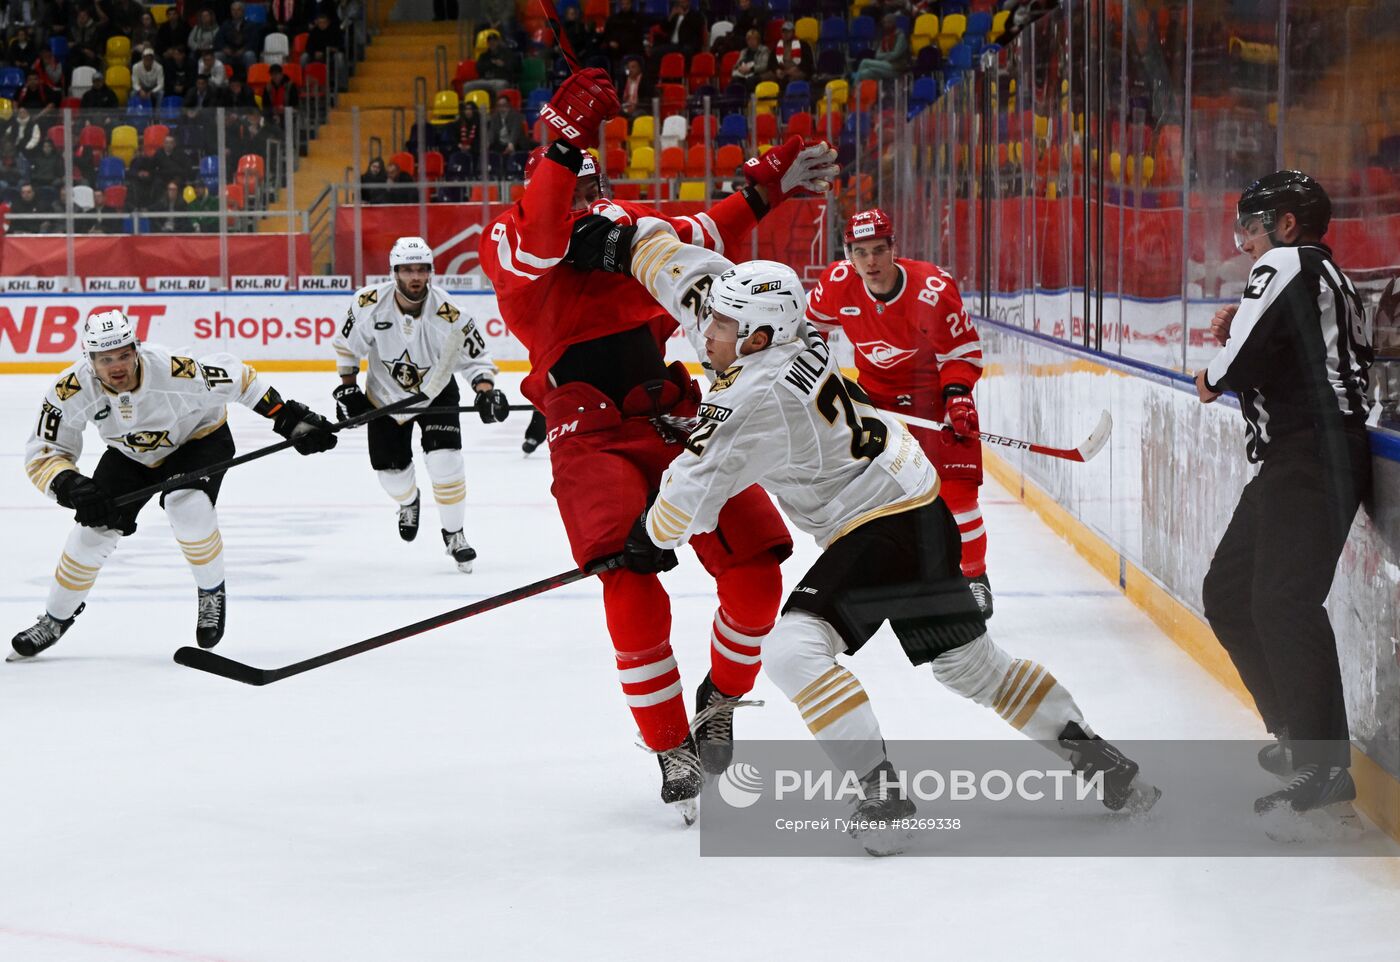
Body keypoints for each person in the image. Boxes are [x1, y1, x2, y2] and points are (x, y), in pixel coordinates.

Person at [566, 227, 1160, 853]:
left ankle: (881, 795)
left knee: (793, 649)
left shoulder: (751, 396)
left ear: (758, 337)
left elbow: (687, 491)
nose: (705, 333)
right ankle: (1104, 764)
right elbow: (695, 276)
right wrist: (631, 247)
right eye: (712, 318)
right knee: (972, 668)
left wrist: (646, 540)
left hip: (881, 525)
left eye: (720, 324)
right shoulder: (792, 334)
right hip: (919, 505)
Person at [478, 68, 837, 819]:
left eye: (588, 180)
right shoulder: (509, 235)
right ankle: (670, 741)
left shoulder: (622, 214)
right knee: (629, 573)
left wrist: (762, 192)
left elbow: (701, 239)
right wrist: (566, 138)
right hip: (590, 433)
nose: (583, 192)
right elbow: (544, 240)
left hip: (676, 414)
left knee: (759, 565)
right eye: (569, 176)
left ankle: (722, 701)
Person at [1195, 170, 1373, 833]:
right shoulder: (1327, 276)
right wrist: (1241, 328)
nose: (1243, 240)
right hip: (1303, 457)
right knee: (1230, 592)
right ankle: (1300, 741)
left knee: (1280, 599)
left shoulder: (1286, 262)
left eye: (1252, 224)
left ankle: (1325, 771)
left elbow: (1225, 377)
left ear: (1286, 224)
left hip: (1311, 455)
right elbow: (1295, 355)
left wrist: (1211, 372)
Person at [14, 311, 338, 658]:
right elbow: (43, 453)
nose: (117, 366)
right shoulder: (71, 390)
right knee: (91, 531)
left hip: (198, 441)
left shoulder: (173, 370)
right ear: (89, 359)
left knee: (186, 506)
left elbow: (239, 378)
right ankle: (54, 619)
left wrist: (288, 419)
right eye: (105, 359)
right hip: (130, 454)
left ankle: (211, 592)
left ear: (136, 349)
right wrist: (69, 485)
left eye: (124, 354)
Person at [806, 209, 993, 615]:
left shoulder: (931, 288)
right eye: (860, 252)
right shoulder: (837, 285)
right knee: (874, 494)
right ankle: (891, 578)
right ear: (848, 255)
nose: (870, 261)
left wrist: (958, 396)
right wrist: (819, 373)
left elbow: (960, 353)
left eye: (878, 250)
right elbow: (808, 329)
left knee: (958, 496)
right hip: (877, 399)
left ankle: (975, 576)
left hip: (936, 396)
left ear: (894, 249)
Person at [331, 237, 509, 572]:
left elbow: (476, 359)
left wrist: (485, 391)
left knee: (446, 463)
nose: (415, 276)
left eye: (422, 269)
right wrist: (348, 389)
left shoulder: (451, 313)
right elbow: (347, 347)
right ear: (394, 272)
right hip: (383, 396)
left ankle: (455, 534)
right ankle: (408, 501)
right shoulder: (368, 303)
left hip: (436, 390)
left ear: (431, 272)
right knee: (392, 475)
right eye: (408, 269)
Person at [854, 13, 910, 82]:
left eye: (888, 22)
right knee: (864, 73)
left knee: (864, 62)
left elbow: (895, 54)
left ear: (894, 23)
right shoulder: (885, 37)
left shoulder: (900, 36)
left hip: (896, 67)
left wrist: (884, 56)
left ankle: (853, 89)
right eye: (885, 23)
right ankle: (862, 90)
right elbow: (877, 55)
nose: (886, 25)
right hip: (884, 65)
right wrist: (888, 55)